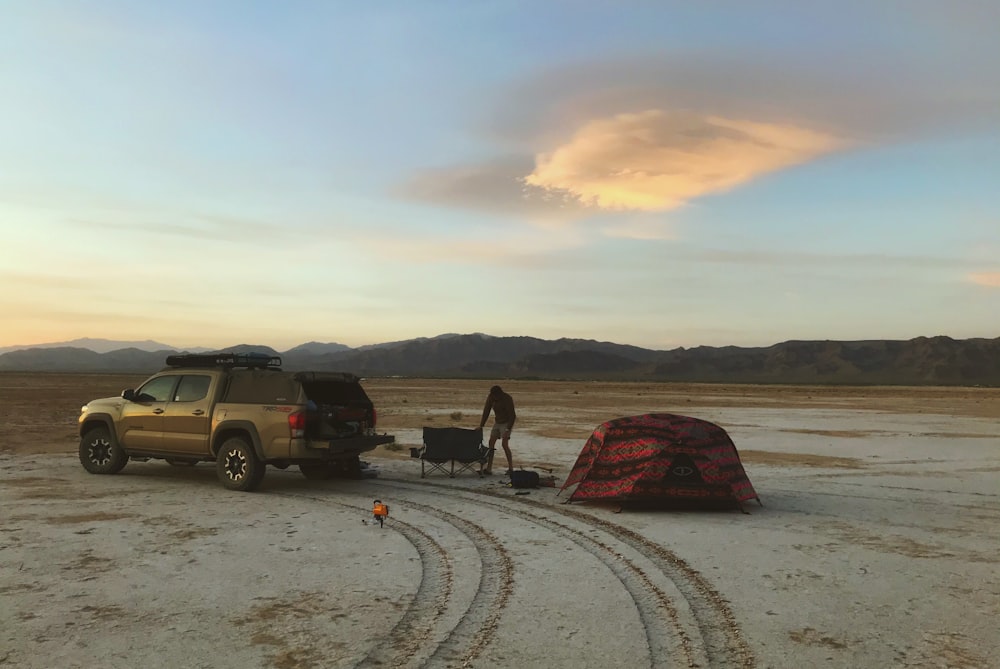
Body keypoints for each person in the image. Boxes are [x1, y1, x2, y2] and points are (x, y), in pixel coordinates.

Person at [478, 385, 515, 476]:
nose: (494, 398)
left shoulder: (507, 399)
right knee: (491, 444)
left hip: (506, 423)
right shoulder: (491, 397)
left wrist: (507, 430)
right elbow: (486, 410)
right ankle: (489, 469)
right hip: (497, 422)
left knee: (504, 444)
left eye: (495, 396)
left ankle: (511, 468)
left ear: (499, 394)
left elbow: (512, 416)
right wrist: (481, 425)